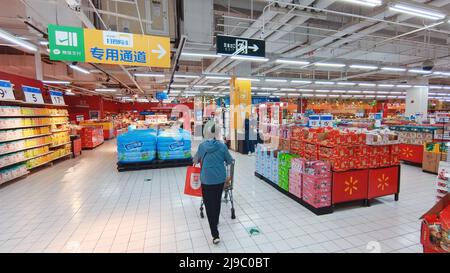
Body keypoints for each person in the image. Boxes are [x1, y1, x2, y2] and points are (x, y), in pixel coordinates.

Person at [193, 121, 234, 245]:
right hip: (219, 179)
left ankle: (215, 234)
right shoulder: (222, 146)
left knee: (208, 204)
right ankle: (215, 222)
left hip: (206, 179)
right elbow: (229, 160)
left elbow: (195, 160)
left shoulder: (202, 146)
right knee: (216, 202)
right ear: (217, 133)